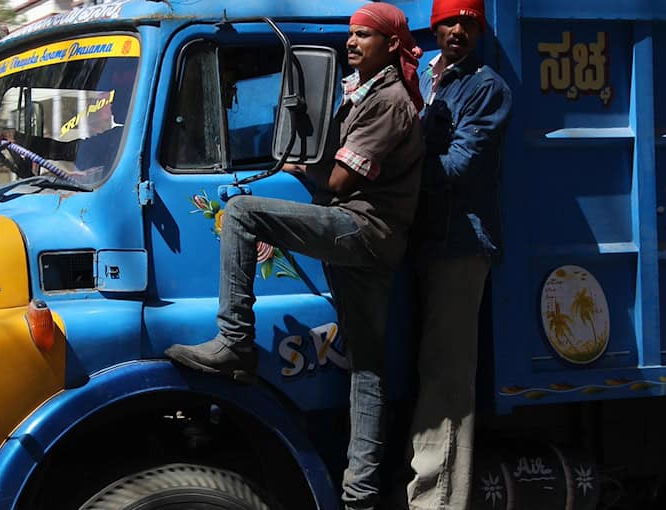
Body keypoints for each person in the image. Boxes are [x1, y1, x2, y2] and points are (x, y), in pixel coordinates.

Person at [165, 4, 425, 509]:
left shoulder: (389, 101)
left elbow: (338, 181)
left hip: (364, 228)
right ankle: (361, 496)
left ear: (392, 45)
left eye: (364, 36)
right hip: (371, 236)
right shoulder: (362, 94)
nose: (351, 43)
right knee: (367, 367)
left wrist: (296, 162)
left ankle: (235, 340)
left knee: (241, 212)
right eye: (350, 35)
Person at [402, 0, 512, 508]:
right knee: (428, 368)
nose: (458, 31)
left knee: (447, 379)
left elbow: (461, 163)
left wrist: (389, 178)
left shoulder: (485, 86)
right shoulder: (428, 78)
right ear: (435, 27)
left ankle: (439, 502)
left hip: (461, 245)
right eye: (450, 22)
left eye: (469, 23)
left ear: (480, 30)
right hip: (427, 239)